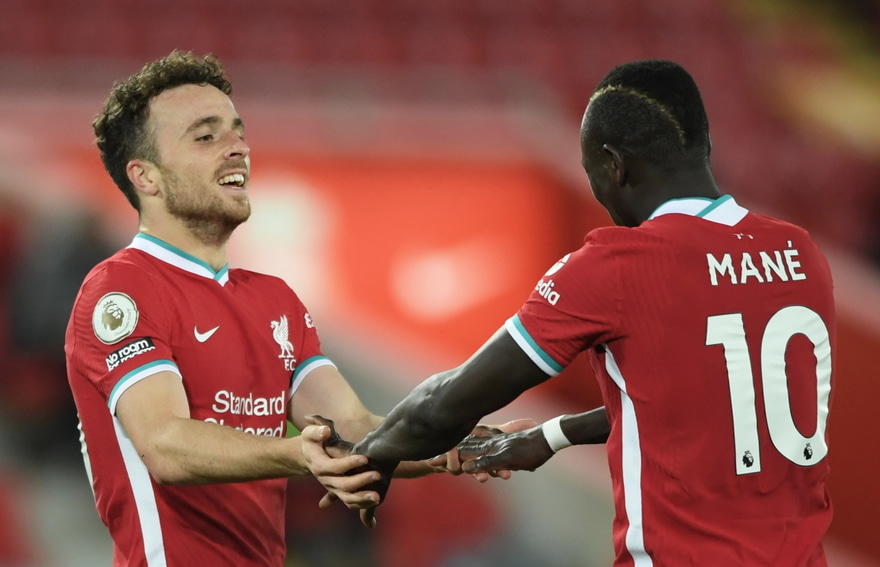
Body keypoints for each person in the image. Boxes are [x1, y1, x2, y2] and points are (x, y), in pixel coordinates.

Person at [309, 59, 835, 566]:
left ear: (615, 164)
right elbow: (706, 402)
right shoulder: (801, 255)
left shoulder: (618, 265)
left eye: (592, 172)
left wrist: (371, 457)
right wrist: (552, 434)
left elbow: (442, 407)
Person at [64, 49, 524, 567]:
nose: (238, 148)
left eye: (237, 132)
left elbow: (354, 428)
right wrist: (299, 453)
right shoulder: (120, 289)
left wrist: (454, 448)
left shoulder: (274, 299)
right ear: (145, 177)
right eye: (206, 136)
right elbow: (165, 445)